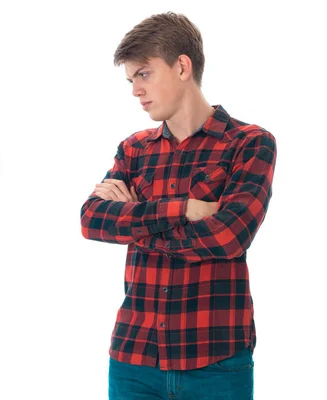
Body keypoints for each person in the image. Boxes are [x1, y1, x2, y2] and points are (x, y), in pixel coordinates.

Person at [80, 12, 276, 400]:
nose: (135, 90)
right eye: (131, 79)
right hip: (134, 358)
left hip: (216, 361)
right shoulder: (134, 149)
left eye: (144, 74)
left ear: (182, 66)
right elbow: (91, 219)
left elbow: (228, 237)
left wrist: (139, 224)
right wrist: (184, 209)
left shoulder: (249, 143)